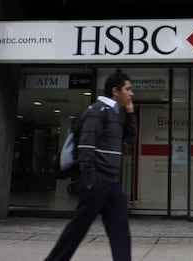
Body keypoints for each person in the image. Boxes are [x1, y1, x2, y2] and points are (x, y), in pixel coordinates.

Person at [45, 72, 136, 261]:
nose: (131, 93)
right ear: (115, 91)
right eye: (128, 89)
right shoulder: (97, 111)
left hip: (112, 184)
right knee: (76, 231)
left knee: (120, 232)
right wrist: (89, 180)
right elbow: (86, 146)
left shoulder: (116, 114)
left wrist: (130, 111)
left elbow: (130, 138)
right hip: (96, 183)